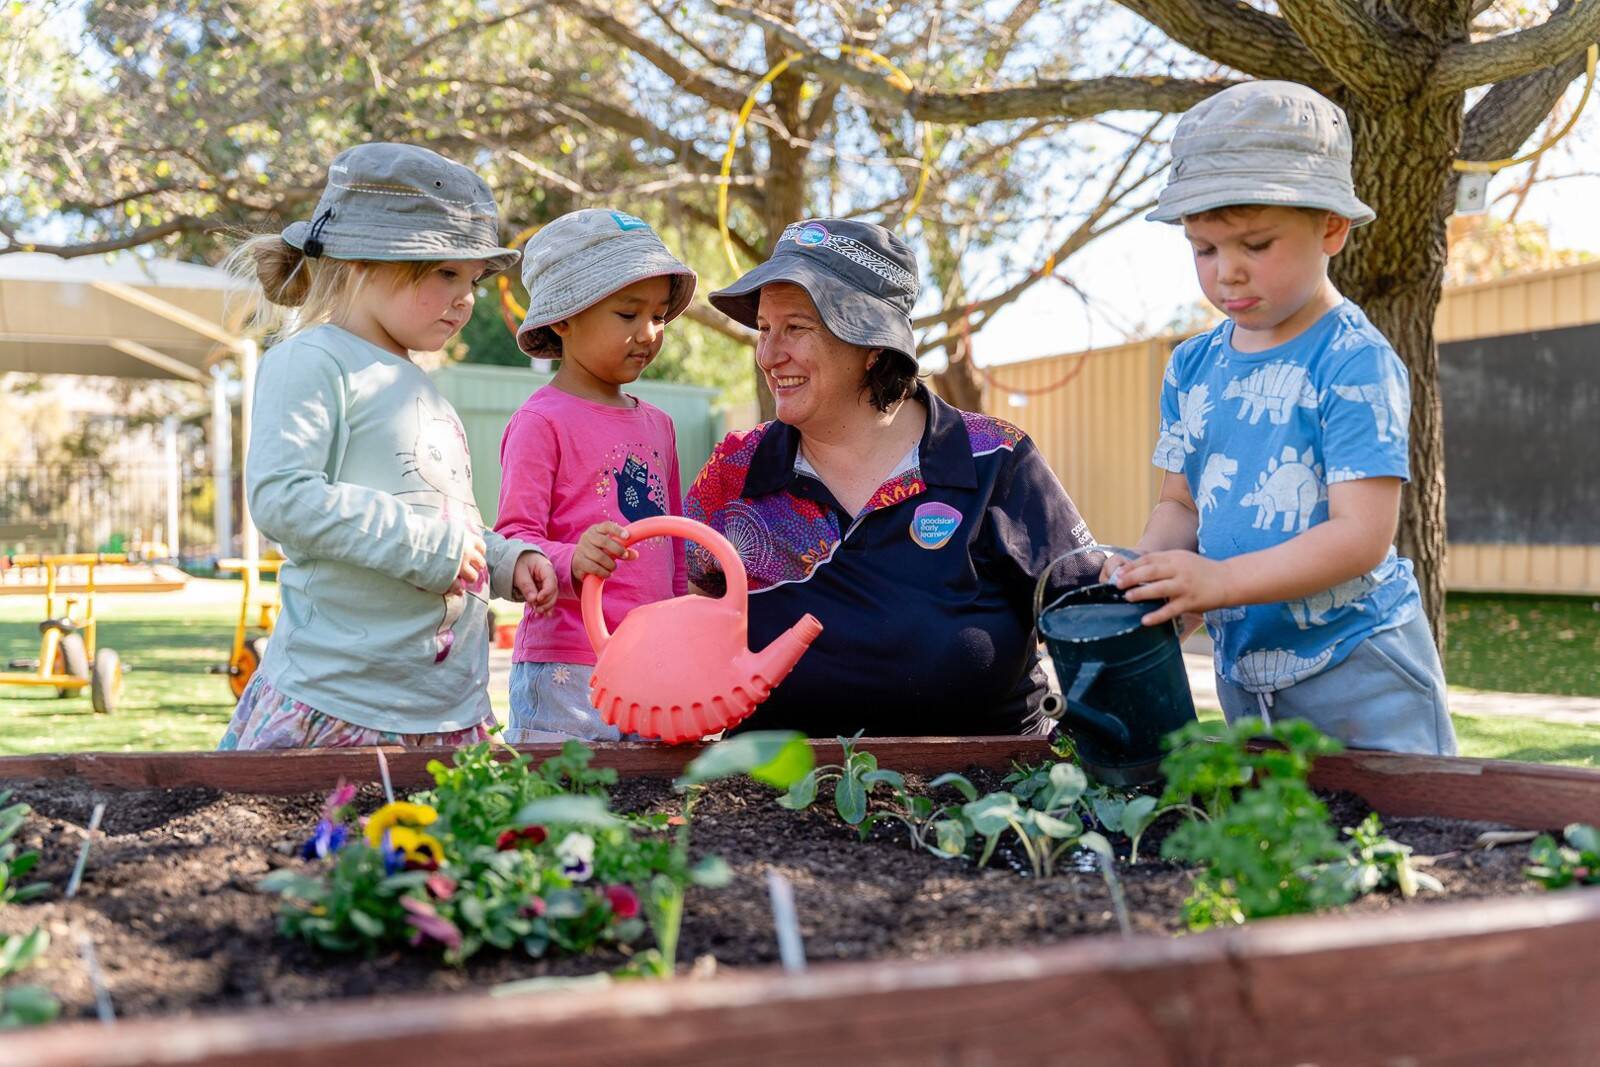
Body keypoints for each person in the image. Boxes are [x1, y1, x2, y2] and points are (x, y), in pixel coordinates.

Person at [1112, 81, 1457, 755]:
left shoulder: (1352, 359)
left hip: (1360, 666)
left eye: (1256, 244)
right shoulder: (1190, 366)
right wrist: (1151, 575)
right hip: (1248, 669)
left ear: (1331, 227)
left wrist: (1218, 581)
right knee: (1276, 821)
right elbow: (1180, 505)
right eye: (1205, 249)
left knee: (1395, 820)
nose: (1227, 274)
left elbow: (1360, 536)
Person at [686, 218, 1097, 737]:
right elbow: (683, 620)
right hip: (773, 781)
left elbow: (1095, 617)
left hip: (987, 780)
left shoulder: (993, 459)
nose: (768, 355)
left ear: (873, 346)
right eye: (765, 329)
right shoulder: (736, 473)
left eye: (797, 328)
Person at [218, 142, 557, 750]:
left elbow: (443, 519)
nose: (466, 297)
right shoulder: (311, 359)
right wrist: (432, 548)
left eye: (473, 279)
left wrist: (505, 561)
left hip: (441, 707)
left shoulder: (419, 384)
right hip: (343, 699)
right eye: (446, 273)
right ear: (364, 261)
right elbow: (284, 498)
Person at [494, 210, 695, 741]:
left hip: (652, 659)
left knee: (650, 789)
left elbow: (673, 547)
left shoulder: (660, 425)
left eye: (659, 316)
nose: (648, 333)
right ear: (563, 319)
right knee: (564, 785)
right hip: (568, 665)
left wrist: (679, 633)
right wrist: (571, 560)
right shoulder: (541, 422)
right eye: (627, 313)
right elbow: (514, 540)